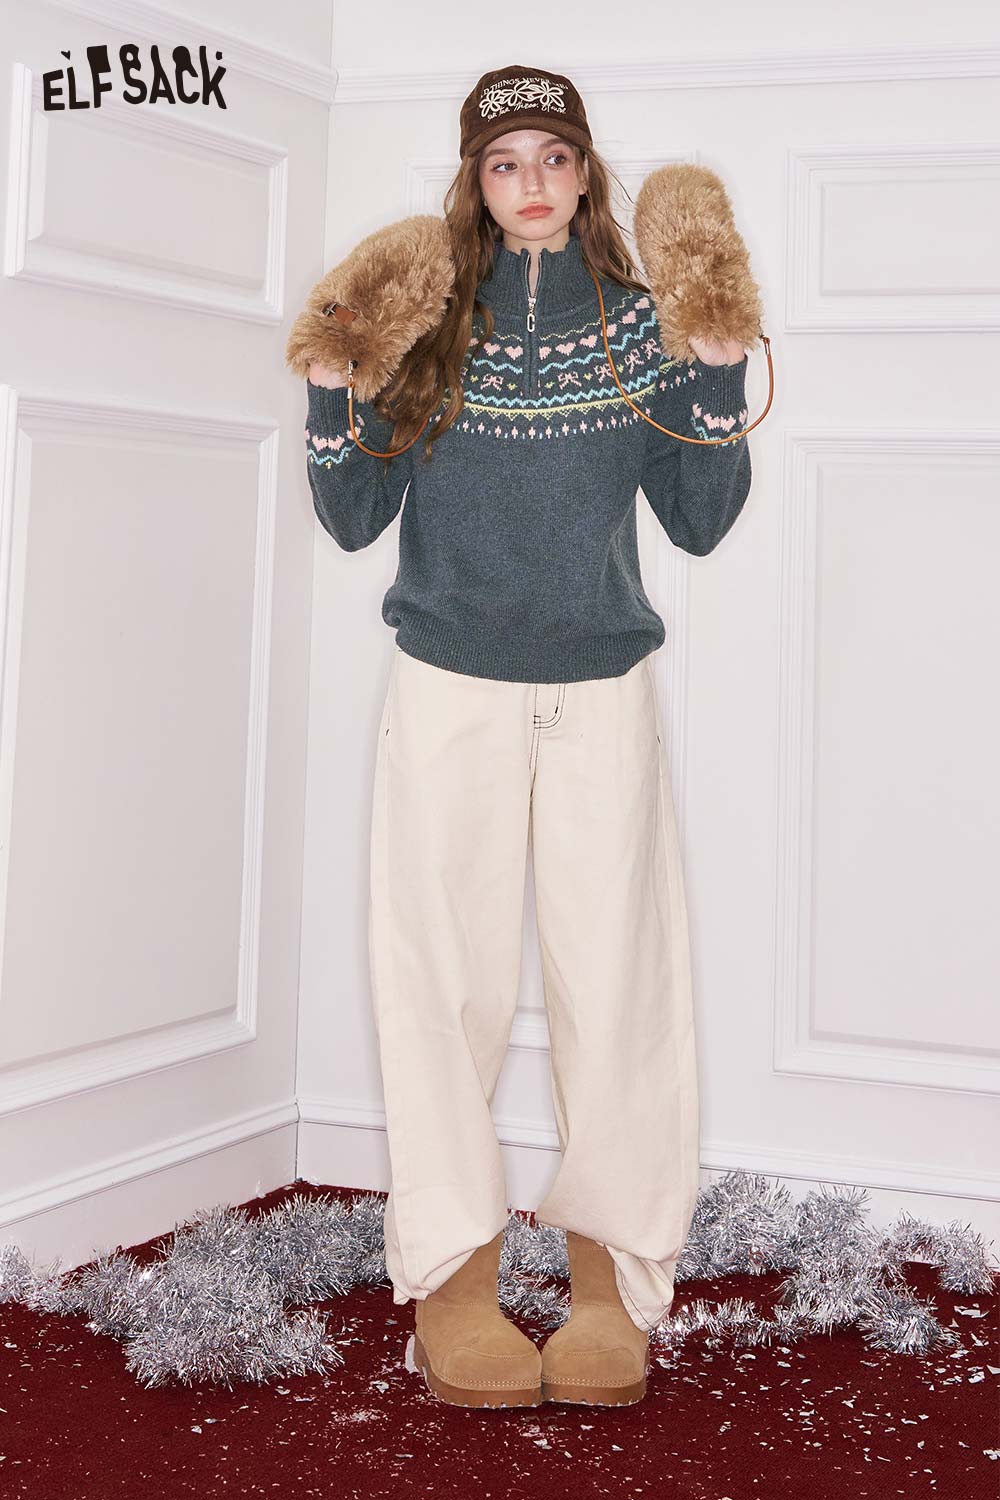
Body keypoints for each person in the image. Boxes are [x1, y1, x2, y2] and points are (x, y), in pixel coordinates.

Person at [302, 64, 752, 1409]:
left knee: (618, 982)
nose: (533, 184)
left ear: (586, 172)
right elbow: (350, 518)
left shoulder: (642, 324)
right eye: (506, 163)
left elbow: (701, 520)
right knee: (441, 984)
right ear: (476, 183)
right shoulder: (428, 326)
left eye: (554, 157)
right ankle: (454, 1274)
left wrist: (716, 373)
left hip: (602, 688)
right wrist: (330, 391)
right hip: (449, 685)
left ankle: (611, 1277)